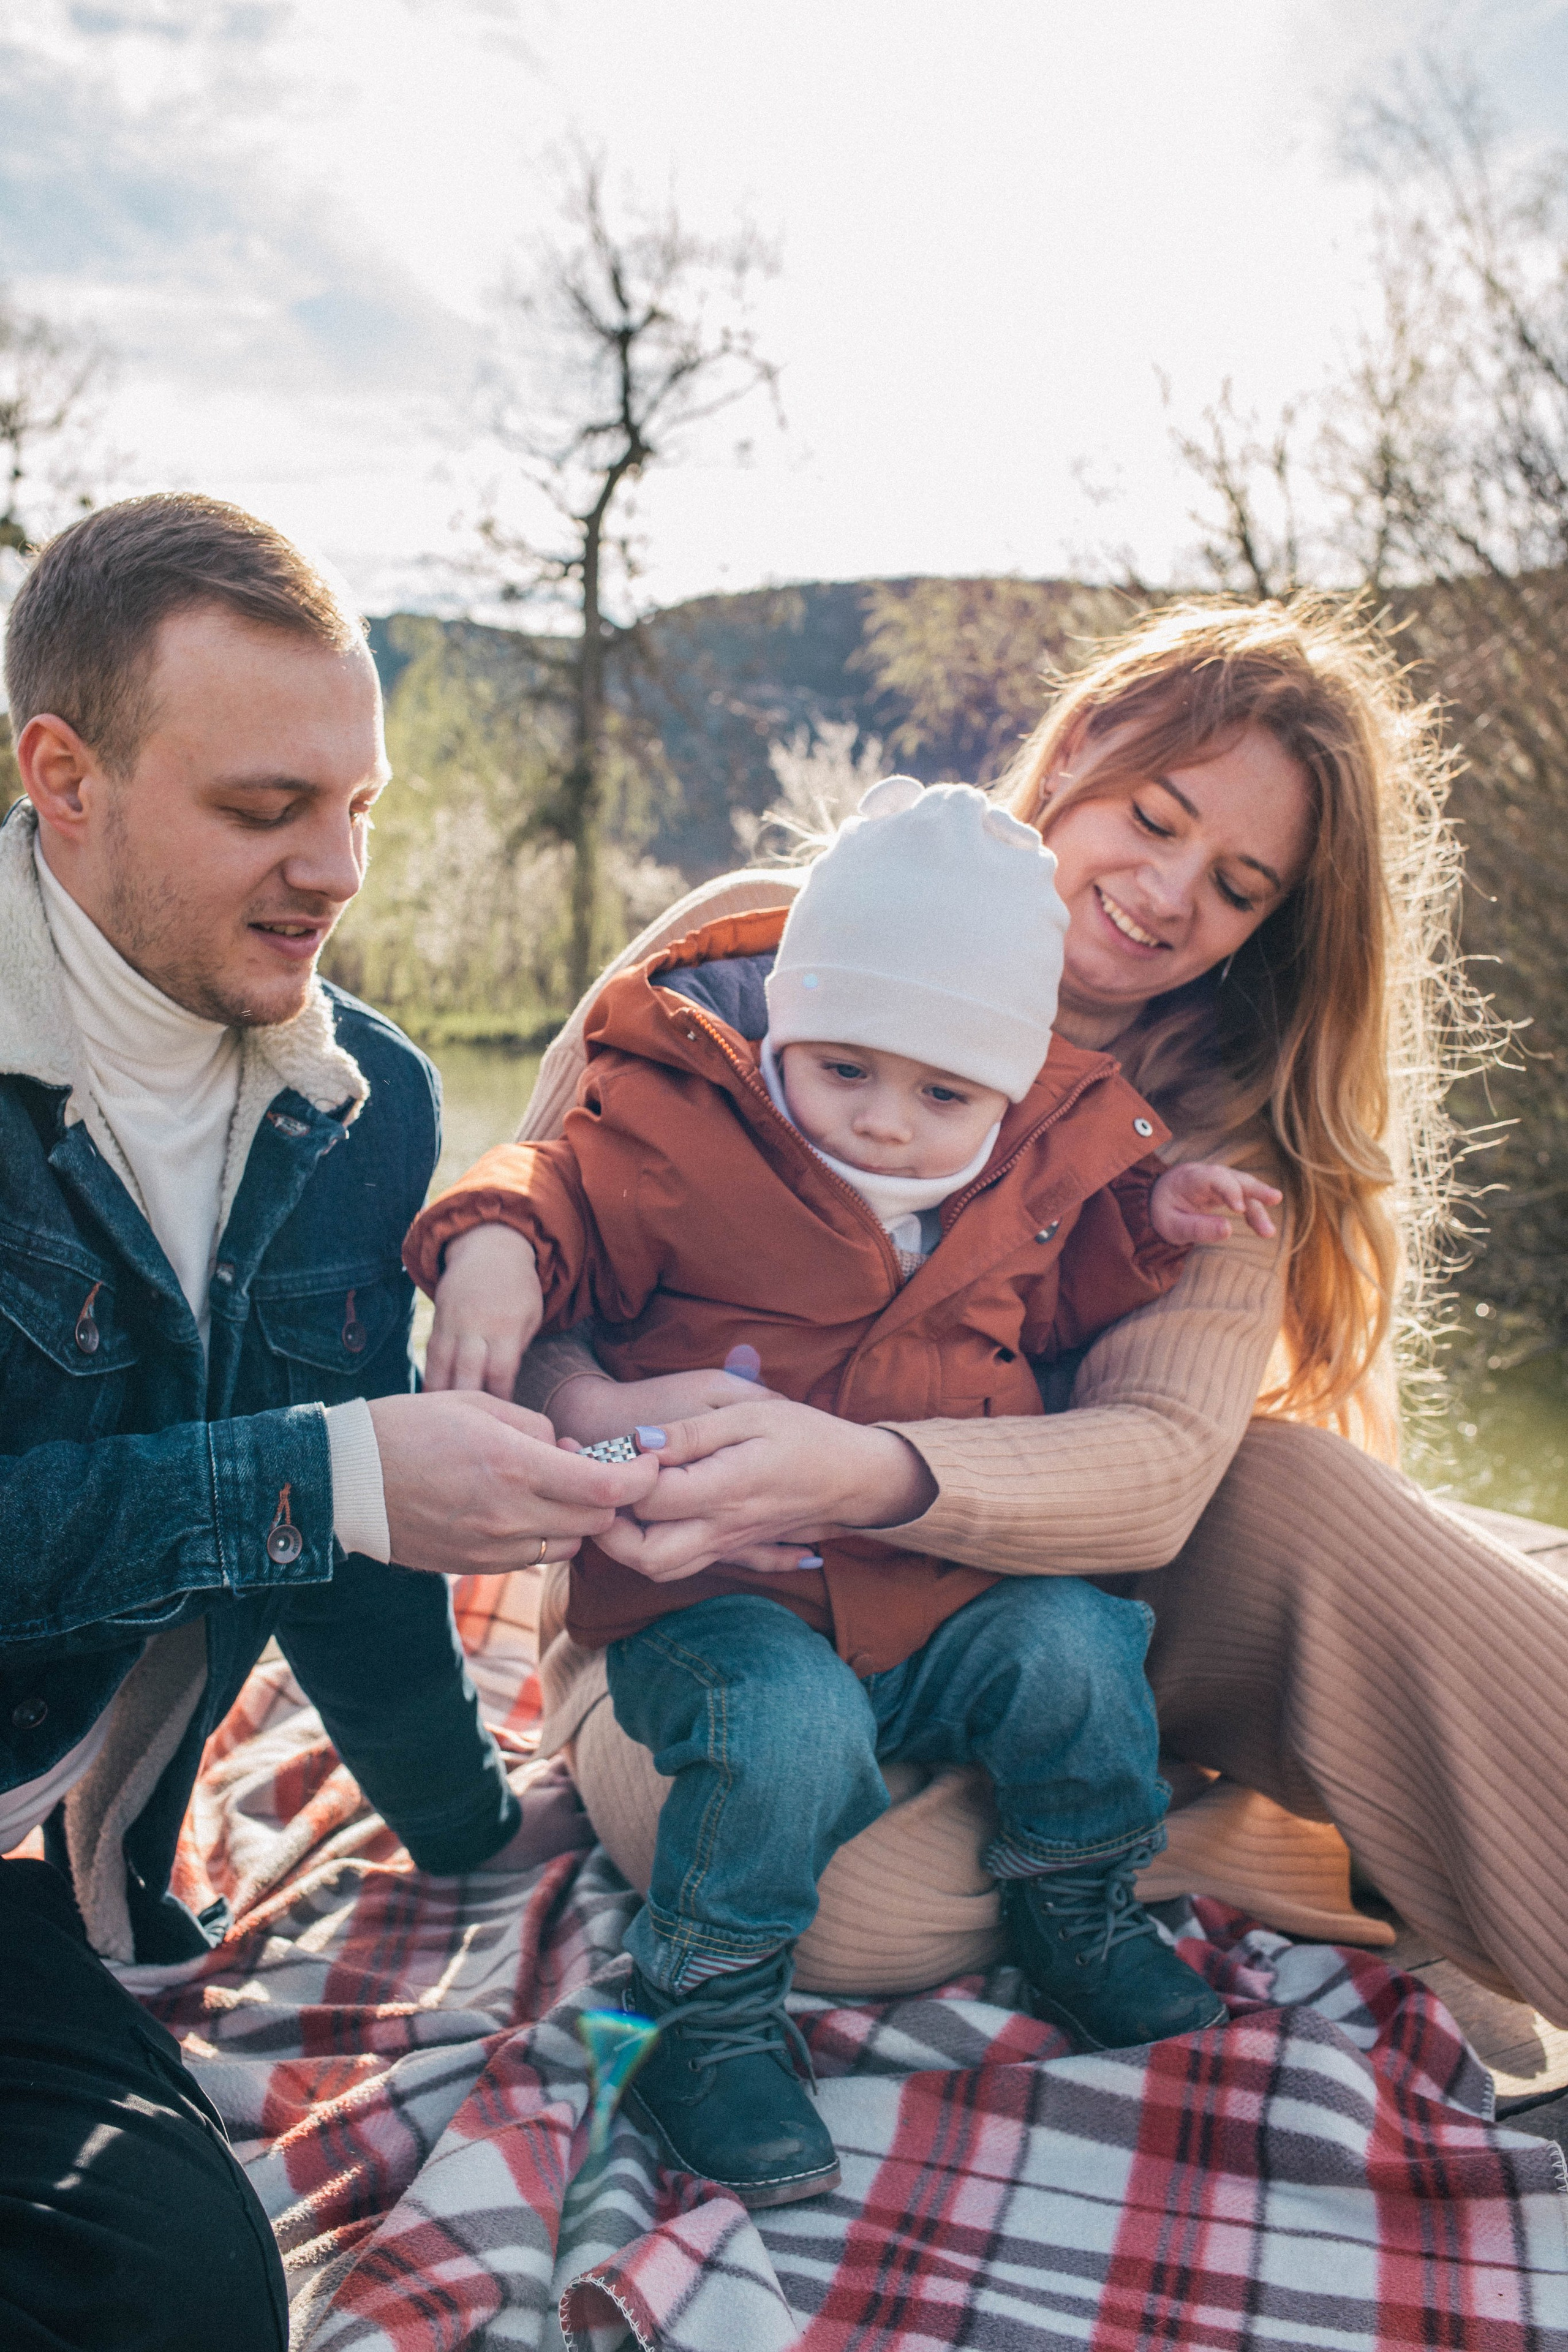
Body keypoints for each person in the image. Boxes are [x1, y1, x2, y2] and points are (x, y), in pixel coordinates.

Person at [432, 593, 1568, 2047]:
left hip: (1032, 1617)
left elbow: (1157, 1465)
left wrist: (864, 1470)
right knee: (829, 1898)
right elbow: (546, 1237)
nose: (1166, 895)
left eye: (1234, 887)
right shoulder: (745, 955)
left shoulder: (1210, 1132)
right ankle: (1245, 1840)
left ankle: (1176, 1794)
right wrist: (587, 1411)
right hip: (708, 1590)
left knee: (1291, 1485)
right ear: (1082, 748)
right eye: (1154, 819)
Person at [407, 775, 1282, 2204]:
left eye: (943, 1094)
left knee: (1071, 1648)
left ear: (1003, 1091)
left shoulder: (1029, 1174)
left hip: (929, 1593)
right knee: (785, 1729)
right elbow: (553, 1188)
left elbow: (1052, 1309)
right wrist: (494, 1241)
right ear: (783, 1036)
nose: (885, 1122)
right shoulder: (682, 1136)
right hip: (719, 1590)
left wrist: (1147, 1229)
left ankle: (1078, 1905)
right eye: (843, 1068)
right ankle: (705, 2012)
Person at [0, 494, 656, 2352]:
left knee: (185, 2297)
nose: (336, 870)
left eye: (356, 810)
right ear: (65, 773)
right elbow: (324, 1484)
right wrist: (335, 1471)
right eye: (266, 810)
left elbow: (340, 1541)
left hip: (30, 1876)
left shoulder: (362, 1103)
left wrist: (467, 1826)